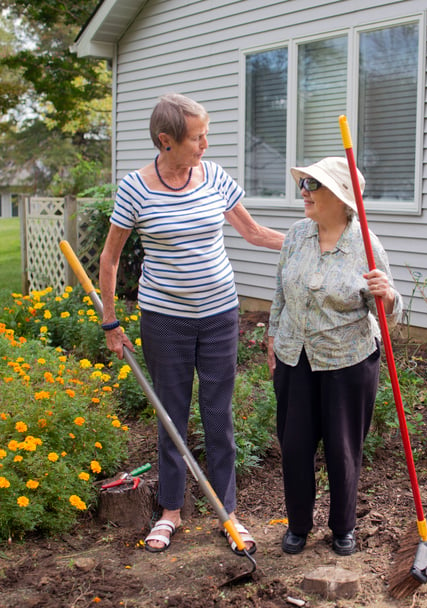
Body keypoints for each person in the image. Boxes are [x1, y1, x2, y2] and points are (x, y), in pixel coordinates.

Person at [99, 93, 285, 554]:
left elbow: (254, 232)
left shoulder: (215, 175)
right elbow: (110, 257)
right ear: (167, 141)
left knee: (219, 416)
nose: (206, 144)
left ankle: (228, 512)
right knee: (171, 417)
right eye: (198, 137)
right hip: (164, 320)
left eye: (206, 134)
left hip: (220, 315)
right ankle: (170, 512)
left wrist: (320, 239)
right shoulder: (135, 188)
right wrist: (111, 322)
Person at [267, 157, 403, 556]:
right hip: (296, 358)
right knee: (294, 447)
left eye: (313, 185)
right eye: (304, 183)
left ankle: (343, 528)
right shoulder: (296, 235)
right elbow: (280, 289)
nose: (304, 191)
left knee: (343, 451)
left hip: (349, 362)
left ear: (342, 197)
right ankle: (298, 525)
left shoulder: (366, 245)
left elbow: (390, 311)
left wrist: (388, 296)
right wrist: (274, 336)